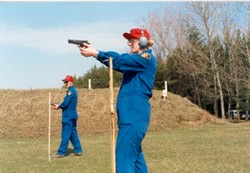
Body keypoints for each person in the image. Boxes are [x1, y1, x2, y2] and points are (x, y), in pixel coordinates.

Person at [78, 28, 157, 173]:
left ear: (143, 42)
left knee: (124, 158)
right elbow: (117, 63)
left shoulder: (145, 59)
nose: (130, 44)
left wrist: (96, 53)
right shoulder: (136, 63)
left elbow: (120, 60)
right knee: (136, 160)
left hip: (133, 118)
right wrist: (96, 55)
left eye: (132, 41)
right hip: (132, 118)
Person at [52, 75, 83, 158]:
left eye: (66, 82)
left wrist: (58, 106)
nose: (65, 83)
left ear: (71, 82)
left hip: (68, 116)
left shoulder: (70, 91)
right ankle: (78, 150)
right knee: (73, 133)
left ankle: (61, 152)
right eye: (64, 82)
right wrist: (59, 105)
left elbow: (65, 103)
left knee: (65, 134)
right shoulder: (73, 91)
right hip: (72, 115)